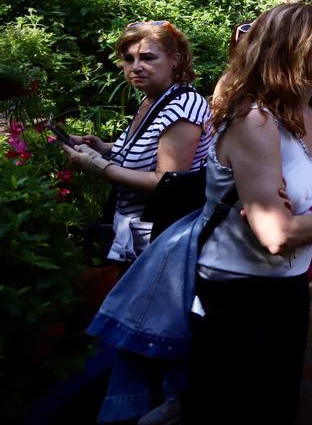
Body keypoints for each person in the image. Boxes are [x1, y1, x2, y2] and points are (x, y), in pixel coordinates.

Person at [185, 3, 312, 425]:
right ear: (287, 48)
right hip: (237, 295)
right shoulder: (255, 121)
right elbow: (279, 235)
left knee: (281, 402)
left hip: (289, 285)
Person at [63, 21, 214, 263]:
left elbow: (167, 182)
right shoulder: (153, 99)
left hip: (160, 242)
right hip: (135, 236)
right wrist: (102, 148)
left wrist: (100, 167)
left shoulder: (184, 107)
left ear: (174, 59)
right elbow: (151, 147)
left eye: (147, 58)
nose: (136, 67)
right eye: (128, 58)